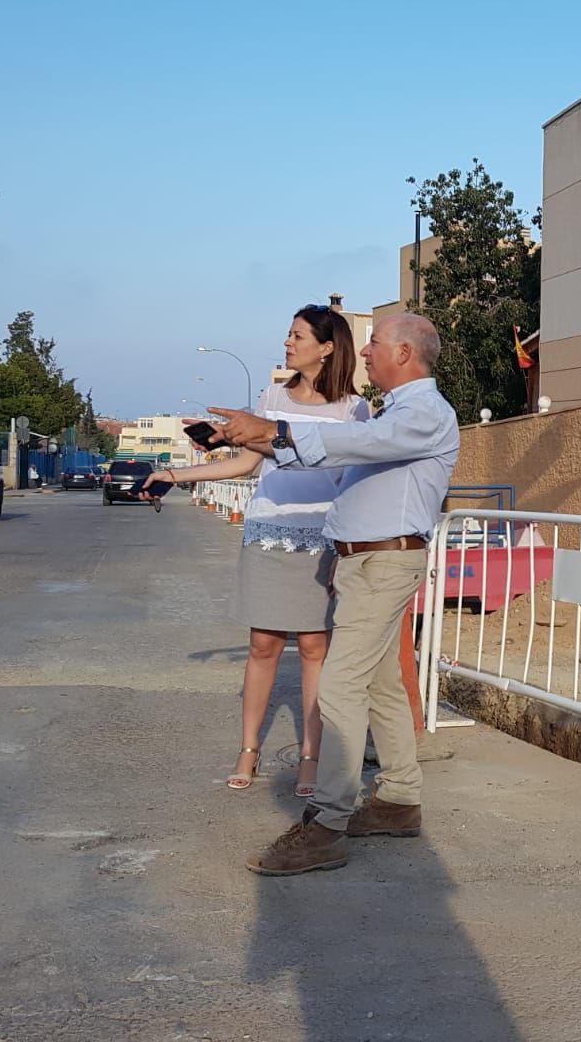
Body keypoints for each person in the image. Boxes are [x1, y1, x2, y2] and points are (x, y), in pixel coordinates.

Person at [206, 312, 459, 878]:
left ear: (404, 354)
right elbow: (345, 449)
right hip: (367, 561)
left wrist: (274, 432)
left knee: (341, 688)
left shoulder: (424, 413)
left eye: (375, 344)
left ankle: (327, 822)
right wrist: (264, 438)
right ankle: (397, 799)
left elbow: (354, 440)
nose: (364, 352)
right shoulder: (399, 410)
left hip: (384, 561)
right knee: (381, 685)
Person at [147, 304, 366, 796]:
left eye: (297, 336)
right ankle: (249, 749)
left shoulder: (355, 410)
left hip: (323, 539)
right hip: (268, 532)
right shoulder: (271, 397)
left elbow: (352, 481)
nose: (287, 343)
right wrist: (176, 475)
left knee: (315, 648)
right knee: (262, 644)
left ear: (326, 348)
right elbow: (245, 464)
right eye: (288, 335)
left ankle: (311, 756)